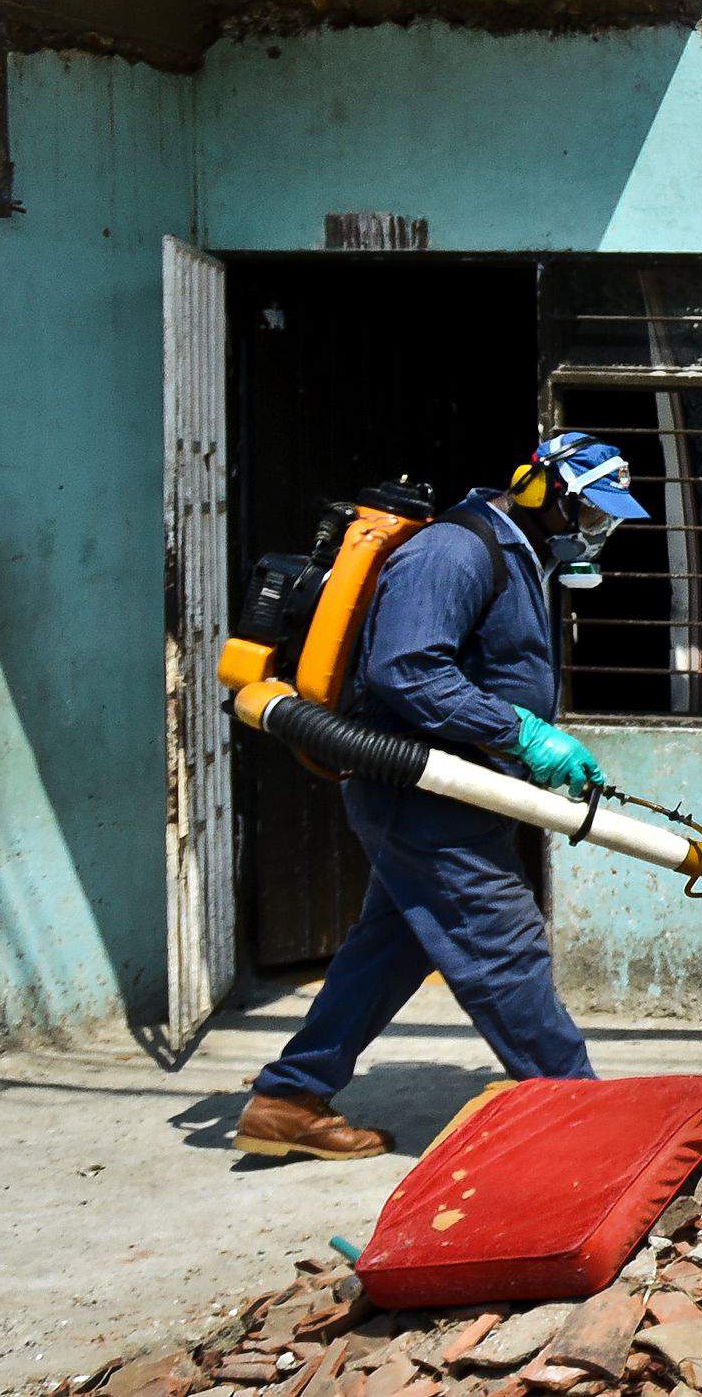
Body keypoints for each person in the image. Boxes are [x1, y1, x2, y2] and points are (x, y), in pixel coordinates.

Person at [234, 431, 648, 1163]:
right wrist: (520, 732)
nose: (598, 529)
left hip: (456, 790)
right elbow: (406, 669)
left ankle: (289, 1098)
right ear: (540, 493)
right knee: (505, 943)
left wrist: (523, 746)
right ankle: (584, 1118)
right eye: (589, 511)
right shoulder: (457, 551)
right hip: (421, 790)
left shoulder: (518, 554)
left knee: (390, 946)